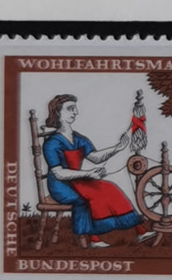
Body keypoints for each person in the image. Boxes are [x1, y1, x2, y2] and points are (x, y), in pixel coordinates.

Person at [39, 92, 141, 244]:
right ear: (58, 112)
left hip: (79, 180)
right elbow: (59, 173)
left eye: (75, 108)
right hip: (61, 186)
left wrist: (118, 148)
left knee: (109, 188)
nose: (76, 112)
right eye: (70, 108)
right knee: (88, 197)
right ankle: (94, 238)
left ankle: (139, 230)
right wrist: (88, 174)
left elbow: (95, 157)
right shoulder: (52, 143)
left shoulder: (78, 138)